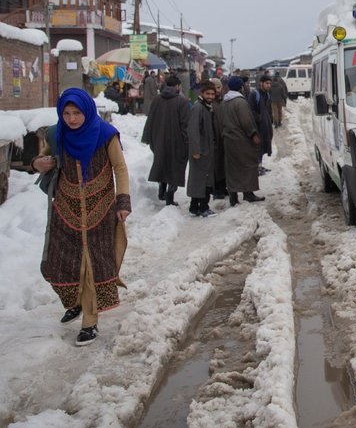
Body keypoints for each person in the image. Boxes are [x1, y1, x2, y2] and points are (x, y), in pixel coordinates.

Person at [30, 88, 131, 347]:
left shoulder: (106, 135)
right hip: (66, 208)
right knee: (60, 261)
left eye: (76, 113)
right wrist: (37, 164)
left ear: (86, 110)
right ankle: (76, 301)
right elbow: (41, 158)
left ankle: (90, 320)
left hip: (100, 207)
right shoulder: (57, 134)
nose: (72, 119)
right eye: (66, 113)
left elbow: (119, 168)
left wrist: (123, 201)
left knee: (91, 262)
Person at [141, 74, 190, 207]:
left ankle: (161, 192)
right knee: (175, 167)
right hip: (177, 140)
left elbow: (150, 118)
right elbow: (185, 124)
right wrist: (188, 142)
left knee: (161, 164)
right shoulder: (182, 101)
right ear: (178, 86)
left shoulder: (157, 99)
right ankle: (170, 197)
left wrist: (147, 137)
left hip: (159, 138)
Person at [221, 76, 265, 206]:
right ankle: (248, 193)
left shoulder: (224, 101)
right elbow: (247, 121)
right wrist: (253, 134)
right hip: (242, 140)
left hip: (228, 140)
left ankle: (233, 197)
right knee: (248, 165)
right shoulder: (240, 102)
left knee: (232, 168)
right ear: (241, 87)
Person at [187, 80, 218, 217]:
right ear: (202, 93)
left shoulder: (207, 107)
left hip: (206, 150)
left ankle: (195, 207)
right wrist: (196, 150)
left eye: (213, 94)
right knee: (202, 180)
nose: (211, 96)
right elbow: (193, 130)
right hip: (200, 151)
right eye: (208, 94)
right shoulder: (198, 108)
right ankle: (203, 207)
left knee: (201, 179)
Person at [250, 74, 274, 174]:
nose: (269, 85)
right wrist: (259, 118)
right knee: (257, 148)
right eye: (267, 83)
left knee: (263, 147)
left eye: (270, 84)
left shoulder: (267, 95)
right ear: (261, 83)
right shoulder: (254, 94)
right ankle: (256, 167)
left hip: (265, 127)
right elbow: (250, 110)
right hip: (257, 126)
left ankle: (259, 165)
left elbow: (269, 110)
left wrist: (270, 121)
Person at [209, 77, 228, 200]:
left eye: (218, 87)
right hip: (214, 139)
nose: (216, 90)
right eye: (214, 88)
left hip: (223, 137)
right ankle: (216, 189)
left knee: (223, 164)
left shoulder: (223, 102)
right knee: (215, 165)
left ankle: (223, 187)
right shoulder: (209, 104)